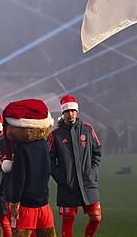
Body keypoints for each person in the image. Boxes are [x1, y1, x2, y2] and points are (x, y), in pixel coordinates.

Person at [48, 95, 102, 237]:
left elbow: (97, 152)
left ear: (77, 111)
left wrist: (93, 172)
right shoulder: (55, 134)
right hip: (67, 185)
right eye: (67, 111)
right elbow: (50, 160)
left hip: (87, 183)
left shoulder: (87, 129)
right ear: (62, 113)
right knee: (68, 221)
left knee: (96, 218)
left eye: (72, 110)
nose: (70, 114)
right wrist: (61, 178)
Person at [1, 99, 56, 237]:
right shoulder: (43, 144)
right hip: (43, 202)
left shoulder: (21, 148)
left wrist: (15, 201)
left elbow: (20, 177)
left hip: (26, 205)